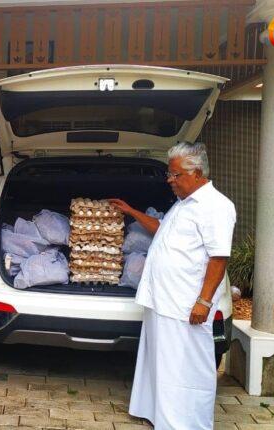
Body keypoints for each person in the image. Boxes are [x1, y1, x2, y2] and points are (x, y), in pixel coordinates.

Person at [109, 141, 236, 430]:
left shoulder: (216, 206)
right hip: (163, 300)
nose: (170, 180)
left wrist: (204, 302)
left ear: (197, 173)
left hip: (185, 303)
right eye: (170, 174)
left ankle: (185, 423)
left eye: (175, 175)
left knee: (186, 366)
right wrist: (131, 211)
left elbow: (219, 258)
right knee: (161, 361)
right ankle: (158, 414)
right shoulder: (183, 204)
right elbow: (160, 228)